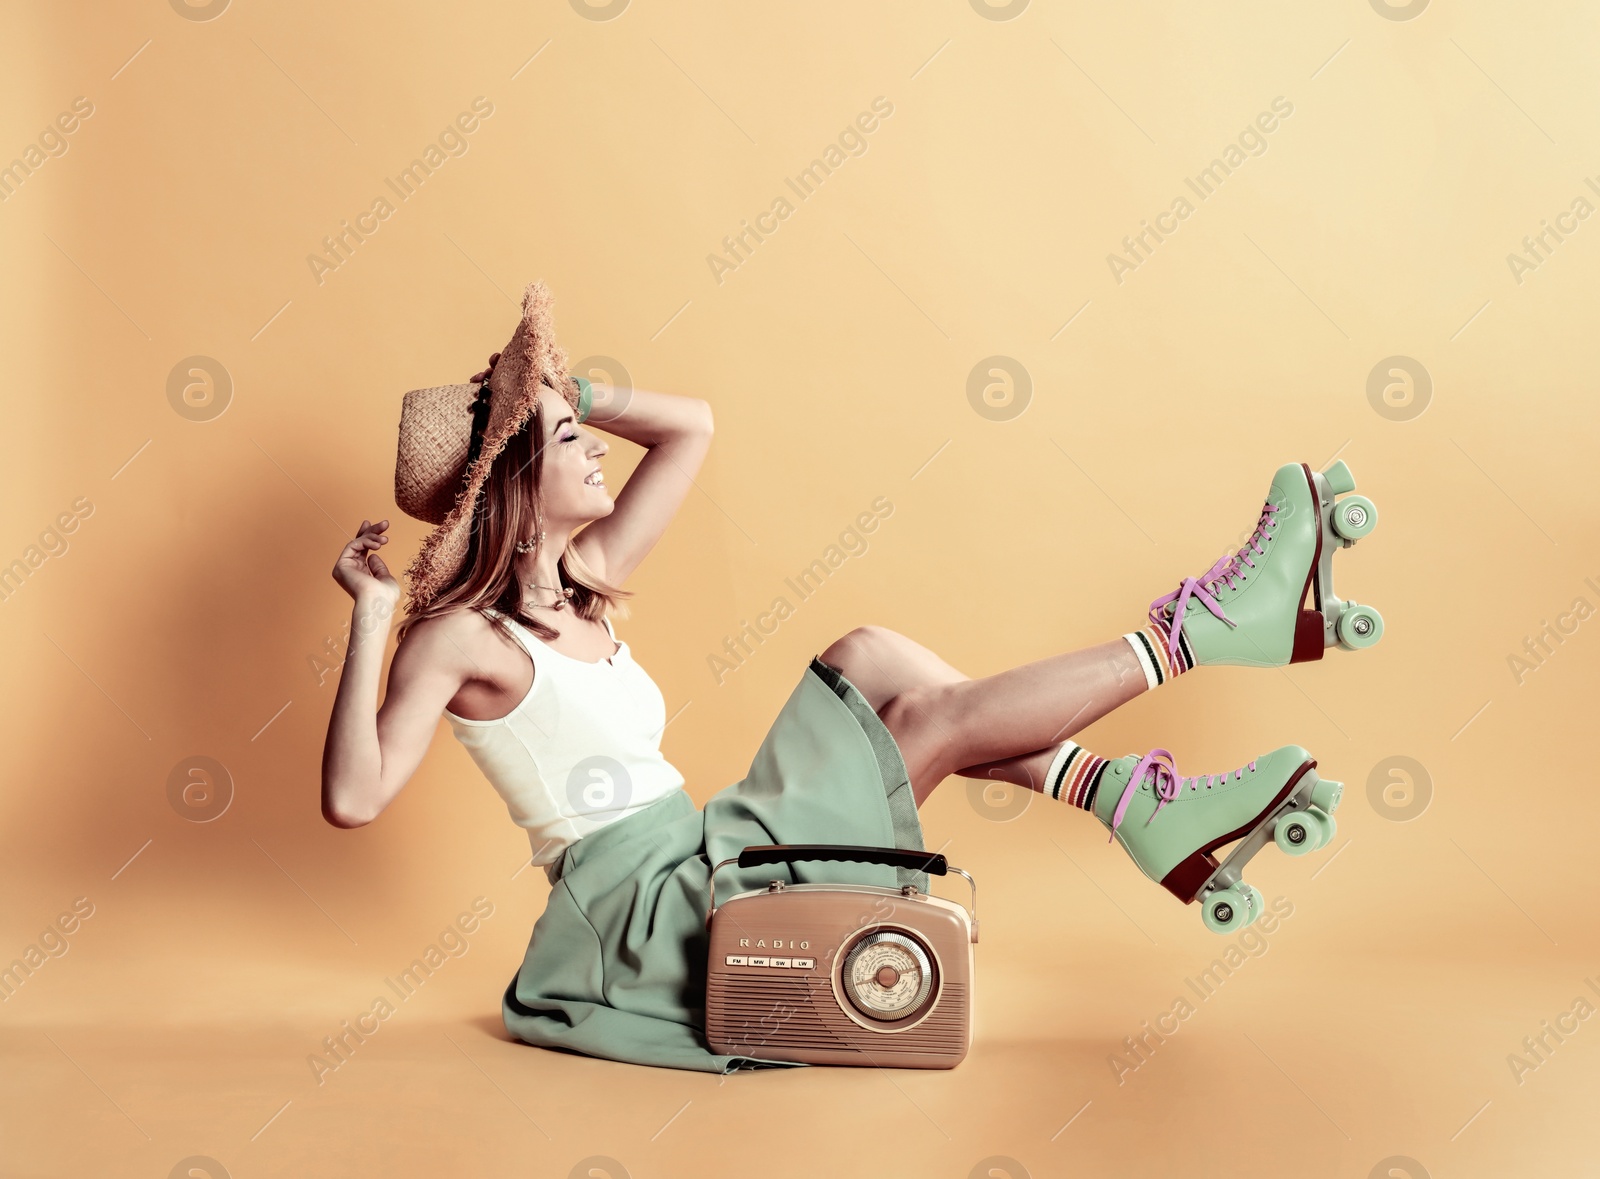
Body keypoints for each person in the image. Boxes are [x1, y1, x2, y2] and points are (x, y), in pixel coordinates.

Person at [320, 281, 1382, 1073]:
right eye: (569, 437)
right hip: (656, 914)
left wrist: (563, 389)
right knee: (927, 722)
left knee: (867, 655)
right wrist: (374, 619)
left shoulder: (585, 584)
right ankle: (1189, 646)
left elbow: (692, 426)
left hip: (707, 842)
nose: (597, 446)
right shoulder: (463, 640)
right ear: (516, 481)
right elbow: (353, 801)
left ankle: (1129, 796)